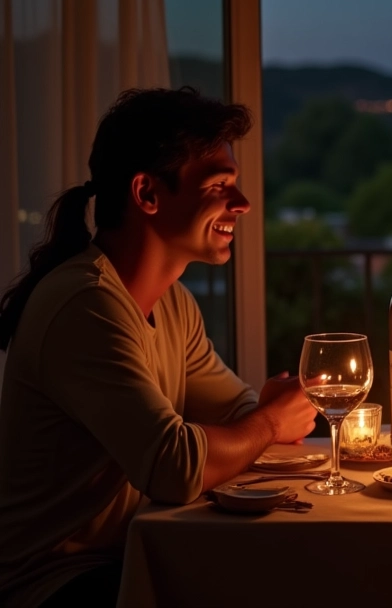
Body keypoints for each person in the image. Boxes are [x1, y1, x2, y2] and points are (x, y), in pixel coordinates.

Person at [0, 87, 318, 608]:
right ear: (147, 194)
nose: (242, 204)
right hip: (52, 583)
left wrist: (271, 414)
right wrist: (268, 424)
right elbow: (175, 467)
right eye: (220, 185)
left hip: (128, 556)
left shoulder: (172, 304)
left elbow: (238, 410)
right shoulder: (85, 305)